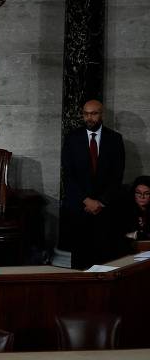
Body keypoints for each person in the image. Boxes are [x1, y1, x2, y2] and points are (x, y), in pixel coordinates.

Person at [61, 99, 125, 269]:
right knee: (80, 258)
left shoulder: (115, 139)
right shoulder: (71, 139)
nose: (90, 117)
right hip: (80, 208)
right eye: (86, 113)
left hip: (105, 209)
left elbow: (117, 176)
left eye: (94, 113)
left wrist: (101, 201)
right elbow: (68, 176)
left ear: (102, 114)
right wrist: (86, 200)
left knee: (104, 257)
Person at [121, 175, 150, 242]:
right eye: (138, 193)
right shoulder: (125, 210)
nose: (142, 197)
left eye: (147, 193)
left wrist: (136, 235)